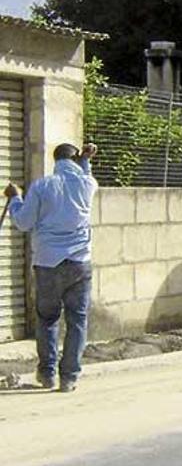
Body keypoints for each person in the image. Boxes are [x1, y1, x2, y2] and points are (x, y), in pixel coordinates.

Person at [4, 143, 98, 392]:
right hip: (80, 263)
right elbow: (84, 174)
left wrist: (15, 198)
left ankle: (47, 374)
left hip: (47, 263)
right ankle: (69, 378)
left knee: (47, 319)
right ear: (76, 160)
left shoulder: (43, 186)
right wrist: (85, 160)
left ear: (54, 160)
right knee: (77, 320)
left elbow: (23, 223)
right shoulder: (88, 185)